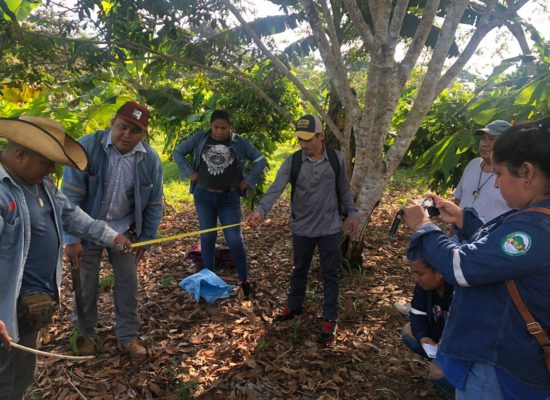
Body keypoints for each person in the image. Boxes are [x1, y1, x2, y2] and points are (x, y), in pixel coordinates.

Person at [402, 116, 550, 398]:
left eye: (500, 175)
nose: (496, 185)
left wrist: (423, 227)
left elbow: (463, 267)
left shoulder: (534, 229)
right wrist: (463, 221)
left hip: (498, 362)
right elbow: (498, 253)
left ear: (527, 172)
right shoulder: (533, 219)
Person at [0, 116, 131, 399]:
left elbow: (73, 217)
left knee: (18, 378)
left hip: (27, 308)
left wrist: (112, 237)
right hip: (4, 309)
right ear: (20, 154)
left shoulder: (43, 185)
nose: (52, 169)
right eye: (47, 161)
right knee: (7, 381)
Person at [61, 101, 163, 360]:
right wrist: (72, 238)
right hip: (87, 228)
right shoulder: (86, 147)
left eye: (135, 131)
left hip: (124, 230)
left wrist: (146, 240)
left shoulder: (149, 159)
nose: (127, 135)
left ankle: (128, 337)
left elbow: (154, 203)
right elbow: (69, 198)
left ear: (144, 134)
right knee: (85, 283)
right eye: (123, 127)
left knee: (127, 283)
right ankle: (84, 334)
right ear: (112, 123)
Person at [247, 114, 359, 343]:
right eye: (299, 139)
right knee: (299, 269)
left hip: (330, 228)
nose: (303, 144)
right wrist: (261, 211)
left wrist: (353, 213)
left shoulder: (336, 159)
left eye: (308, 139)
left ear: (322, 136)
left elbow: (344, 190)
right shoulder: (294, 161)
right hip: (302, 228)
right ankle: (294, 306)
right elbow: (276, 188)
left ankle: (329, 319)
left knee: (330, 274)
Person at [172, 109, 267, 299]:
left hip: (229, 198)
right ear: (211, 126)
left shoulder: (239, 142)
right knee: (207, 237)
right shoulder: (200, 138)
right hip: (203, 196)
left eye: (223, 128)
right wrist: (189, 173)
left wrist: (247, 181)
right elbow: (178, 151)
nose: (219, 131)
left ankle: (243, 281)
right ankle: (209, 280)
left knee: (234, 239)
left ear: (230, 127)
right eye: (216, 127)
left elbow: (260, 160)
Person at [401, 259, 453, 392]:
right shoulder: (424, 287)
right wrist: (423, 336)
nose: (417, 279)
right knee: (408, 331)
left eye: (420, 274)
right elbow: (416, 314)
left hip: (459, 348)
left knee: (437, 375)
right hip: (440, 340)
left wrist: (446, 346)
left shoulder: (458, 293)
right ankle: (440, 363)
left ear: (440, 273)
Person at [454, 120, 512, 223]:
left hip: (490, 237)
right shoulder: (473, 164)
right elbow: (459, 199)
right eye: (483, 139)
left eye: (492, 139)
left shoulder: (513, 174)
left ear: (507, 144)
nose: (485, 144)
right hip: (459, 235)